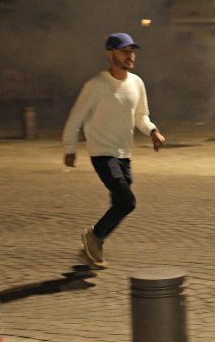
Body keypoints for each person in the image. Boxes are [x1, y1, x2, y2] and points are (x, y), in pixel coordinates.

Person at [62, 32, 166, 268]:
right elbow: (75, 118)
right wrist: (70, 148)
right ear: (110, 54)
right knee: (127, 202)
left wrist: (152, 131)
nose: (130, 56)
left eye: (132, 51)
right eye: (124, 51)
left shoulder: (137, 83)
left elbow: (141, 116)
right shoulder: (96, 85)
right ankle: (95, 237)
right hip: (102, 153)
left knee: (119, 205)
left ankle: (93, 244)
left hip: (124, 155)